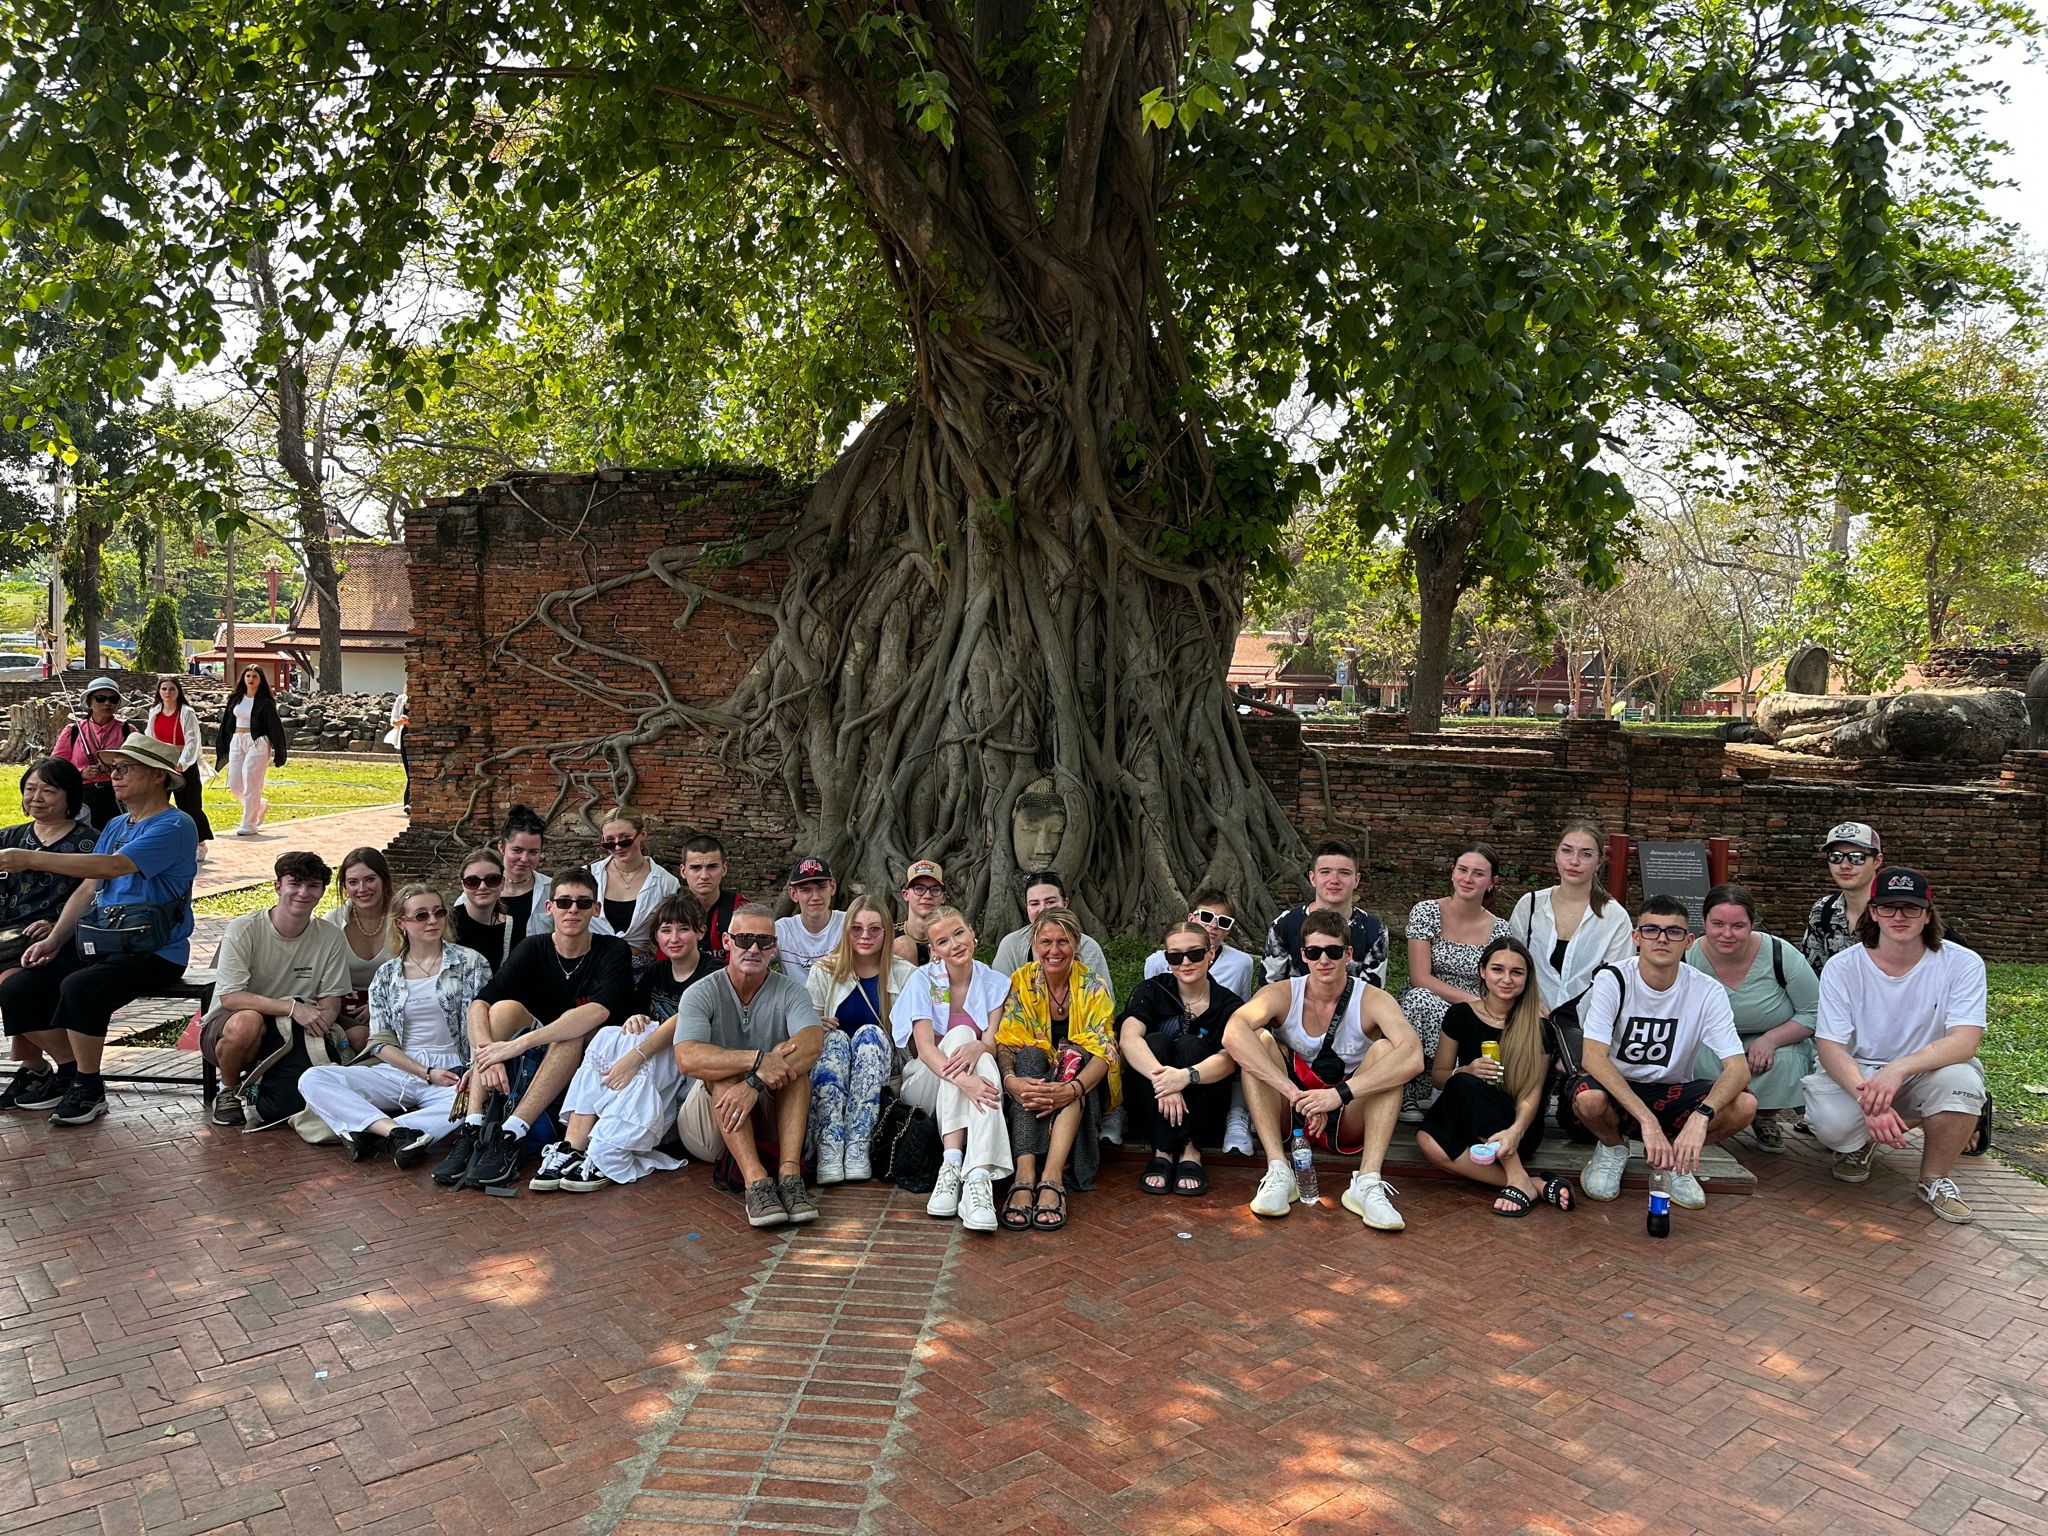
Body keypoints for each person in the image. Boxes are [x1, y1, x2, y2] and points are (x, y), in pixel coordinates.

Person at [0, 734, 198, 1126]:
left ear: (157, 776)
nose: (114, 776)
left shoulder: (176, 824)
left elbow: (112, 867)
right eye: (113, 768)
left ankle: (88, 1087)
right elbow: (89, 887)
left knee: (81, 987)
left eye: (125, 768)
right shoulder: (118, 824)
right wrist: (56, 938)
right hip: (102, 939)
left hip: (153, 951)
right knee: (19, 986)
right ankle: (69, 1072)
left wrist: (30, 859)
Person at [1803, 867, 1988, 1222]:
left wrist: (1898, 1069)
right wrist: (1869, 1102)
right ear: (1873, 912)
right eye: (1888, 907)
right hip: (1858, 1070)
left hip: (1925, 1069)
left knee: (1962, 1082)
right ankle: (1861, 1141)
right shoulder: (1843, 967)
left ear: (1928, 914)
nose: (1898, 917)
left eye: (1910, 908)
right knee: (1832, 1126)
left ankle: (1934, 1178)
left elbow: (1965, 1042)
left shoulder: (1962, 963)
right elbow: (1830, 1047)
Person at [438, 868, 635, 1192]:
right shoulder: (533, 947)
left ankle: (512, 1134)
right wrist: (487, 1054)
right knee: (502, 1009)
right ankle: (473, 1126)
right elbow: (479, 1004)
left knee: (571, 1028)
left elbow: (597, 1012)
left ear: (596, 909)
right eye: (564, 902)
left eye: (583, 903)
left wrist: (516, 1046)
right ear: (549, 907)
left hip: (593, 1058)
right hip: (538, 1054)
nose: (573, 910)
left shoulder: (612, 949)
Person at [1223, 908, 1420, 1231]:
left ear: (1349, 954)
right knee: (1256, 1040)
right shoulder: (1283, 993)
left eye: (1333, 951)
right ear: (1303, 955)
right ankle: (1278, 1169)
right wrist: (1293, 1093)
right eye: (1314, 952)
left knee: (1388, 1052)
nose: (1324, 960)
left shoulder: (1373, 999)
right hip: (1293, 1109)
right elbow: (1232, 1034)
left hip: (1347, 1111)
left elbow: (1412, 1057)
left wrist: (1337, 1095)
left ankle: (1367, 1182)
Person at [1570, 896, 1757, 1208]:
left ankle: (1674, 1157)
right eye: (1651, 930)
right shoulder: (1613, 978)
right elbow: (1592, 1057)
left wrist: (1701, 1117)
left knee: (1745, 1105)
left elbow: (1739, 1068)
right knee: (1589, 1099)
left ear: (1688, 941)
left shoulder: (1707, 990)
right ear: (1636, 937)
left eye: (1673, 931)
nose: (1661, 938)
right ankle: (1612, 1148)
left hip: (1671, 1091)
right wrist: (1647, 1121)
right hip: (1617, 1089)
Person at [532, 891, 715, 1192]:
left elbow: (685, 1018)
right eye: (666, 930)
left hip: (689, 1061)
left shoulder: (712, 971)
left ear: (700, 931)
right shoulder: (655, 973)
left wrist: (636, 1057)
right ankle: (573, 1147)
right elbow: (637, 1016)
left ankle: (605, 1150)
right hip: (653, 1064)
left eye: (683, 929)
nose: (674, 938)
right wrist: (635, 1019)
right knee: (609, 1035)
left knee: (635, 1045)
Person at [299, 883, 491, 1165]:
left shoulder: (471, 962)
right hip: (401, 1068)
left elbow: (483, 1022)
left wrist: (474, 1069)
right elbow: (380, 1042)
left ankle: (370, 1130)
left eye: (438, 912)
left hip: (454, 1071)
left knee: (472, 1106)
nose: (433, 920)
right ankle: (397, 1133)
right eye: (421, 915)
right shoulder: (387, 975)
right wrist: (425, 1073)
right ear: (401, 923)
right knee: (313, 1078)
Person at [673, 903, 825, 1228]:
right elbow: (687, 1057)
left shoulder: (791, 991)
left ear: (774, 947)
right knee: (723, 1075)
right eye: (744, 939)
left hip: (763, 1111)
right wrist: (758, 1060)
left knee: (796, 1073)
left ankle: (789, 1177)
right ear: (727, 942)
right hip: (708, 1127)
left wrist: (754, 1083)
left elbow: (812, 1043)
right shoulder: (700, 992)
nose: (753, 949)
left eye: (763, 941)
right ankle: (755, 1183)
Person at [1416, 936, 1573, 1216]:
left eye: (1517, 972)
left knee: (1462, 1086)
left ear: (1527, 978)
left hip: (1517, 1125)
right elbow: (1439, 1077)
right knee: (1428, 1140)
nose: (1506, 979)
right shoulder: (1460, 1015)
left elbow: (1532, 1093)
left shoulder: (1539, 1027)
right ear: (1482, 971)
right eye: (1497, 969)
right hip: (1469, 1116)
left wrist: (1515, 1132)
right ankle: (1530, 1182)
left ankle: (1516, 1173)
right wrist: (1465, 1069)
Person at [199, 851, 355, 1129]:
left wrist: (320, 1025)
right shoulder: (243, 929)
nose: (303, 893)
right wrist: (292, 1008)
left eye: (313, 885)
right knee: (246, 1023)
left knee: (360, 1035)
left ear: (322, 892)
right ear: (278, 886)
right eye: (295, 883)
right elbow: (231, 997)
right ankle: (229, 1090)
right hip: (238, 1023)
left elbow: (331, 1000)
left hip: (297, 1025)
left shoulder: (331, 936)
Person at [993, 908, 1120, 1230]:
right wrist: (1010, 1081)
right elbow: (1006, 1042)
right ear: (1034, 944)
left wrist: (1071, 1089)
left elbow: (1104, 1052)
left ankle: (1052, 1178)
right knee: (1029, 1057)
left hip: (1082, 1090)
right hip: (1031, 1087)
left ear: (1076, 943)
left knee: (1074, 1056)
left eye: (1063, 941)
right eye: (1046, 942)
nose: (1054, 950)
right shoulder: (1021, 982)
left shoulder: (1093, 985)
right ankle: (1024, 1175)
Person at [892, 906, 1013, 1232]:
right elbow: (926, 1050)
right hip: (924, 1083)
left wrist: (980, 1047)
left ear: (971, 932)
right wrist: (966, 1081)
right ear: (933, 950)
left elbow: (990, 1044)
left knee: (980, 1055)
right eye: (943, 941)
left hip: (970, 1083)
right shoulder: (923, 980)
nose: (955, 944)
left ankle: (968, 1173)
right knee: (961, 1035)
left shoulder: (994, 982)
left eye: (959, 933)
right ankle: (968, 1171)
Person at [1682, 883, 1818, 1152]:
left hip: (1770, 1041)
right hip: (1710, 1041)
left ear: (1752, 924)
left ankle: (1764, 1116)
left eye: (1738, 926)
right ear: (1704, 921)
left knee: (1785, 1059)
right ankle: (1707, 1116)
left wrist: (1771, 1040)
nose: (1727, 934)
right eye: (1718, 924)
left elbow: (1813, 1012)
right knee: (1691, 1059)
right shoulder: (1686, 957)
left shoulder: (1781, 954)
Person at [0, 759, 100, 1111]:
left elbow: (96, 897)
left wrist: (55, 924)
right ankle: (36, 1069)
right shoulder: (10, 838)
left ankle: (62, 1067)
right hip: (8, 939)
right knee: (11, 982)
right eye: (30, 789)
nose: (36, 798)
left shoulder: (90, 843)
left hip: (63, 941)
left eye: (48, 790)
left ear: (69, 796)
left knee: (12, 985)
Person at [1119, 921, 1242, 1195]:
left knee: (1191, 1045)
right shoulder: (1152, 990)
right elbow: (1128, 1038)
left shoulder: (1228, 1003)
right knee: (1156, 1042)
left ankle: (1190, 1150)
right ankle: (1162, 1150)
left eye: (1194, 954)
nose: (1185, 962)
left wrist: (1184, 1077)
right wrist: (1166, 1083)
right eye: (1175, 957)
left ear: (1210, 953)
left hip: (1204, 1108)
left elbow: (1229, 1058)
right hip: (1152, 1103)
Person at [1397, 845, 1511, 1120]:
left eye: (1478, 873)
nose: (1468, 879)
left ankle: (1458, 1089)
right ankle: (1404, 1089)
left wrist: (1482, 1007)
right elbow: (1420, 977)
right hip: (1430, 998)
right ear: (1452, 873)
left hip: (1476, 1011)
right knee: (1418, 999)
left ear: (1492, 882)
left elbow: (1499, 979)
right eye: (1462, 870)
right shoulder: (1427, 912)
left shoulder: (1500, 929)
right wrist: (1475, 1002)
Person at [805, 892, 908, 1184]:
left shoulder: (905, 974)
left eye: (874, 929)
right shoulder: (824, 971)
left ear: (886, 932)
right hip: (833, 1062)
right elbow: (807, 1033)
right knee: (835, 1039)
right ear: (846, 930)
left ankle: (858, 1144)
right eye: (857, 928)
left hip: (880, 1063)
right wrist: (815, 1025)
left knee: (869, 1034)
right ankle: (829, 1144)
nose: (865, 936)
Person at [1506, 819, 1634, 1023]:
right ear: (1556, 855)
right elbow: (1510, 963)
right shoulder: (1530, 906)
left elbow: (1617, 981)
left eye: (1586, 854)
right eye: (1567, 851)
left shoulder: (1614, 917)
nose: (1574, 861)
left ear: (1599, 863)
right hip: (1530, 1021)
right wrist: (1528, 1005)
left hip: (1589, 1027)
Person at [1261, 839, 1390, 989]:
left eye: (1344, 873)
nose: (1334, 880)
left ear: (1356, 880)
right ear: (1312, 878)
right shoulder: (1285, 924)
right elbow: (1269, 989)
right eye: (1325, 872)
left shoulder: (1375, 930)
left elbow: (1372, 994)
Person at [323, 847, 395, 1046]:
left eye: (370, 879)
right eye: (353, 882)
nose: (362, 889)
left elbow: (422, 967)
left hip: (396, 1001)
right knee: (359, 1037)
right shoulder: (333, 921)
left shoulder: (404, 917)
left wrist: (380, 1002)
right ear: (345, 886)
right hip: (344, 1006)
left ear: (384, 879)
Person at [587, 807, 680, 960]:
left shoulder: (666, 883)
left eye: (625, 839)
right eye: (609, 842)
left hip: (640, 965)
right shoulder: (588, 875)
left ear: (642, 834)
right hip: (592, 962)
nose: (618, 847)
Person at [52, 677, 137, 831]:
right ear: (89, 701)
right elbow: (55, 768)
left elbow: (139, 766)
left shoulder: (128, 731)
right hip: (81, 797)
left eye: (113, 699)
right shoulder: (73, 731)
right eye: (100, 698)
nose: (107, 703)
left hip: (119, 798)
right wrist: (81, 774)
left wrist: (115, 769)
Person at [215, 665, 289, 837]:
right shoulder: (235, 699)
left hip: (258, 742)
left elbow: (275, 727)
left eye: (255, 676)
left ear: (260, 680)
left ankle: (249, 822)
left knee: (251, 780)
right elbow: (226, 723)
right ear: (243, 678)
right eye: (248, 676)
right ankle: (259, 805)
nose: (251, 679)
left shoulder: (265, 703)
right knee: (234, 783)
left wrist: (279, 751)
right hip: (237, 740)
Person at [989, 871, 1110, 976]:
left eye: (1050, 902)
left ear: (1065, 904)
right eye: (1034, 903)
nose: (1043, 909)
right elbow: (999, 992)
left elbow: (1100, 993)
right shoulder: (1011, 946)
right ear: (1026, 908)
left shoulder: (1088, 948)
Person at [1141, 889, 1257, 996]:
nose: (1214, 925)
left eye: (1224, 921)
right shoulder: (1157, 963)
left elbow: (1242, 1006)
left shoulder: (1241, 964)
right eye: (1207, 917)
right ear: (1191, 919)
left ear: (1228, 930)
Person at [148, 677, 213, 861]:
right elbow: (150, 737)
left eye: (172, 689)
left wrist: (183, 763)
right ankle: (159, 841)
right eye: (164, 689)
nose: (167, 693)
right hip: (162, 763)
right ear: (159, 692)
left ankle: (199, 843)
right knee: (157, 804)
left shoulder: (186, 712)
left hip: (183, 763)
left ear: (178, 692)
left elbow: (192, 740)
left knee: (190, 805)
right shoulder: (154, 712)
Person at [1804, 821, 1882, 971]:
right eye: (1836, 856)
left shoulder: (1895, 911)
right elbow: (1813, 972)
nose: (1844, 865)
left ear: (1877, 861)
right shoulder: (1822, 910)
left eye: (1857, 857)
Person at [774, 856, 845, 986]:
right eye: (806, 890)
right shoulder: (782, 930)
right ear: (793, 894)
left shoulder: (850, 924)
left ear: (832, 887)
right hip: (794, 998)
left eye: (821, 887)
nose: (815, 897)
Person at [680, 833, 745, 963]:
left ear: (724, 869)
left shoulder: (741, 910)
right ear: (683, 871)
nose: (704, 876)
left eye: (712, 867)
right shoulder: (671, 910)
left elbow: (744, 962)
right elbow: (664, 964)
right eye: (696, 868)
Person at [450, 847, 516, 972]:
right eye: (472, 881)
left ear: (502, 883)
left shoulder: (511, 927)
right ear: (463, 885)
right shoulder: (445, 922)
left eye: (492, 879)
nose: (482, 887)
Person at [496, 804, 552, 945]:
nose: (524, 859)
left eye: (533, 852)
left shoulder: (552, 890)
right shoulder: (478, 889)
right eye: (517, 850)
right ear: (502, 847)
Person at [893, 859, 947, 964]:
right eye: (919, 888)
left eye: (935, 889)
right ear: (906, 895)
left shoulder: (950, 936)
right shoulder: (889, 935)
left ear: (943, 897)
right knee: (903, 945)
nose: (927, 895)